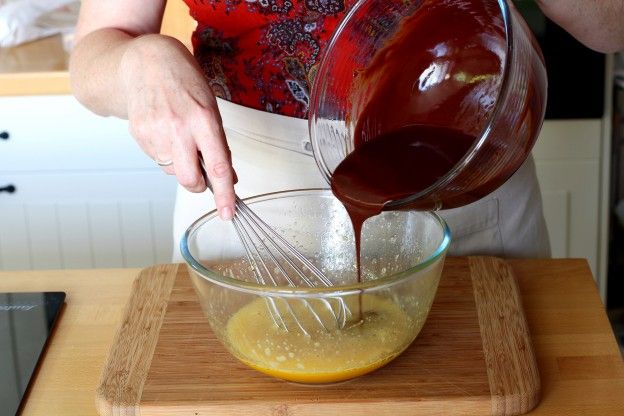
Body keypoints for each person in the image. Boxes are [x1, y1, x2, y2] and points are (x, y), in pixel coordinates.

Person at [69, 0, 624, 262]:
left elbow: (610, 27)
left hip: (461, 166)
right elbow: (96, 50)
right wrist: (138, 61)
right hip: (245, 196)